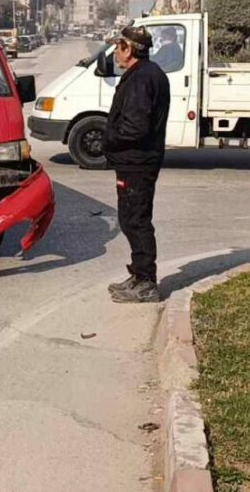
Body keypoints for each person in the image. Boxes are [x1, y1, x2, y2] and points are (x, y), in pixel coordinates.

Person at [103, 26, 170, 304]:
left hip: (137, 162)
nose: (115, 53)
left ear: (128, 49)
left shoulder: (142, 79)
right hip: (135, 160)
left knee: (135, 220)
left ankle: (146, 283)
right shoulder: (144, 74)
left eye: (118, 47)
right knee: (132, 218)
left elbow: (136, 127)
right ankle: (139, 274)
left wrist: (109, 139)